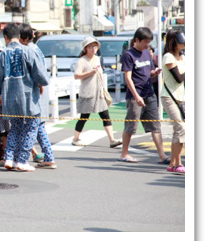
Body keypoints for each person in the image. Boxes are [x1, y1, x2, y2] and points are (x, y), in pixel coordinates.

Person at [0, 23, 48, 172]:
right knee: (31, 128)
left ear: (5, 37)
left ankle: (9, 158)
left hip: (10, 99)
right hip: (28, 97)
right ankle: (22, 160)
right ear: (18, 36)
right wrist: (42, 82)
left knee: (15, 129)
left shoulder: (3, 54)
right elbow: (41, 76)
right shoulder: (29, 51)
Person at [120, 27, 170, 164]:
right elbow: (128, 78)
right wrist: (136, 96)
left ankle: (162, 156)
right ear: (136, 40)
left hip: (149, 94)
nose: (147, 45)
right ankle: (124, 153)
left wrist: (155, 72)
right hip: (135, 96)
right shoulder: (128, 55)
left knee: (155, 126)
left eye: (149, 42)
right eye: (145, 42)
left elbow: (148, 71)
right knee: (131, 126)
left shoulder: (147, 53)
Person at [72, 36, 122, 148]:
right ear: (85, 48)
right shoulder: (82, 61)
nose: (93, 48)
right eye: (90, 46)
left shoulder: (97, 59)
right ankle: (75, 138)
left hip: (99, 93)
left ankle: (112, 140)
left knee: (105, 116)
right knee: (84, 117)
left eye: (94, 46)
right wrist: (90, 72)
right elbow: (76, 76)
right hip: (87, 93)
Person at [18, 24, 57, 169]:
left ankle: (23, 158)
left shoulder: (30, 50)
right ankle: (49, 156)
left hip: (36, 91)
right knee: (39, 126)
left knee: (34, 126)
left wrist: (39, 86)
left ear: (24, 38)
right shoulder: (35, 49)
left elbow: (37, 73)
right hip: (39, 90)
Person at [161, 30, 185, 173]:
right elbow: (179, 78)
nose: (183, 45)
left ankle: (173, 162)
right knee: (181, 128)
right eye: (181, 43)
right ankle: (177, 163)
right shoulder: (168, 57)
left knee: (179, 129)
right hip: (169, 97)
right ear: (173, 42)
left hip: (181, 97)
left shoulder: (183, 57)